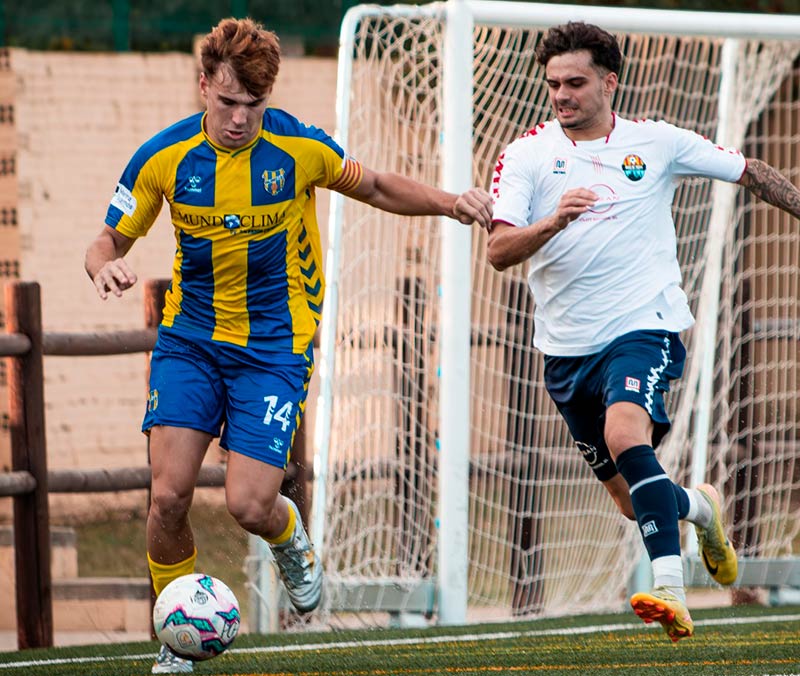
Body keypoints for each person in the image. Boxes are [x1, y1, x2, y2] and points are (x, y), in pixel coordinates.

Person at [85, 17, 492, 674]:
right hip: (190, 343)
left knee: (249, 505)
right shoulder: (163, 157)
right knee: (169, 496)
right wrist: (104, 265)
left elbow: (376, 185)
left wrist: (451, 203)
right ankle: (175, 639)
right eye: (227, 101)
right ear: (203, 85)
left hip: (274, 349)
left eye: (254, 104)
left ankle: (289, 537)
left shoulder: (299, 147)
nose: (239, 118)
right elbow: (107, 239)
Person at [488, 21, 800, 642]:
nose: (562, 94)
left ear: (610, 82)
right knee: (635, 501)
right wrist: (553, 222)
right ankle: (701, 509)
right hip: (565, 351)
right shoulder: (525, 155)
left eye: (576, 83)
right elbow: (499, 250)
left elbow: (750, 171)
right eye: (553, 84)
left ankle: (671, 592)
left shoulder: (656, 141)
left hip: (644, 325)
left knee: (625, 433)